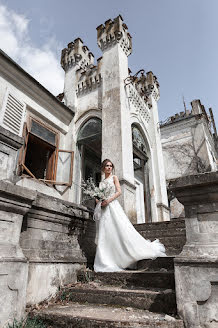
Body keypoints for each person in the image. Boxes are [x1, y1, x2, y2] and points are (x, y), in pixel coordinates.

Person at [93, 159, 166, 272]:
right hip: (104, 209)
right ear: (103, 168)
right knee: (106, 232)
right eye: (107, 166)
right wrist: (99, 202)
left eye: (111, 166)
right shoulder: (101, 183)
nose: (109, 168)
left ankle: (127, 254)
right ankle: (107, 259)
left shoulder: (114, 178)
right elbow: (97, 196)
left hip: (113, 206)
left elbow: (119, 191)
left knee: (120, 229)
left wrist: (108, 200)